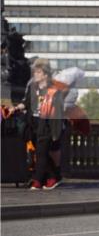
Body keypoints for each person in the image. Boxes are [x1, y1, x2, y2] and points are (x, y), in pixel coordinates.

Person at [15, 58, 66, 190]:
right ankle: (53, 177)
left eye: (38, 72)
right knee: (41, 153)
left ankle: (37, 181)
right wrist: (14, 108)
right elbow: (26, 103)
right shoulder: (33, 88)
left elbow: (58, 114)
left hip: (46, 127)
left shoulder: (54, 91)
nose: (35, 75)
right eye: (34, 72)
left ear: (45, 75)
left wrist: (56, 133)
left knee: (41, 154)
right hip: (34, 125)